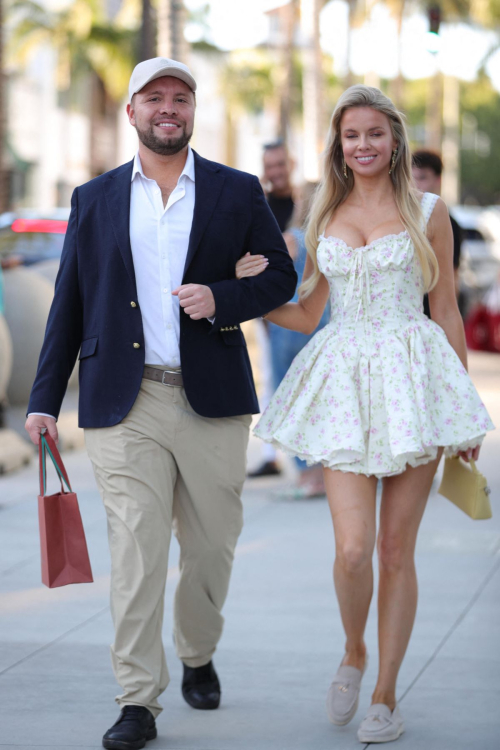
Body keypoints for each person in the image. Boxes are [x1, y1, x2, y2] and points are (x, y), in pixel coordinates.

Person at [25, 57, 297, 750]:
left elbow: (282, 277)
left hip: (212, 401)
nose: (167, 108)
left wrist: (222, 298)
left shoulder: (237, 193)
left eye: (180, 97)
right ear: (133, 112)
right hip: (125, 399)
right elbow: (70, 302)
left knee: (211, 552)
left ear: (192, 110)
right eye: (154, 98)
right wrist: (43, 399)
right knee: (138, 553)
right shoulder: (96, 197)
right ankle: (137, 700)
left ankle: (198, 651)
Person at [243, 85, 494, 743]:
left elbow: (444, 312)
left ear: (394, 139)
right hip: (344, 386)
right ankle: (353, 650)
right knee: (352, 550)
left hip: (415, 382)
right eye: (351, 135)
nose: (363, 145)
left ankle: (385, 694)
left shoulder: (429, 211)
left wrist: (463, 410)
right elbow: (304, 311)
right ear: (339, 143)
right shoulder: (324, 213)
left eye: (374, 134)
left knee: (392, 551)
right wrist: (246, 296)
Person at [238, 183, 330, 497]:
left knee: (290, 400)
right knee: (320, 402)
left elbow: (269, 275)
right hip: (325, 326)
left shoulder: (293, 239)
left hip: (291, 324)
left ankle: (307, 477)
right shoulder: (332, 238)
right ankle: (322, 473)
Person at [247, 140, 297, 478]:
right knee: (272, 379)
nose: (275, 172)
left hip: (309, 302)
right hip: (270, 307)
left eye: (280, 164)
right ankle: (271, 454)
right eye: (270, 166)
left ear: (290, 164)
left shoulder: (309, 201)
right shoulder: (256, 204)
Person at [411, 149, 463, 316]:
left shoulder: (448, 223)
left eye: (422, 177)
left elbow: (452, 275)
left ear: (438, 180)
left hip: (431, 312)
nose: (416, 183)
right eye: (411, 177)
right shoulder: (400, 217)